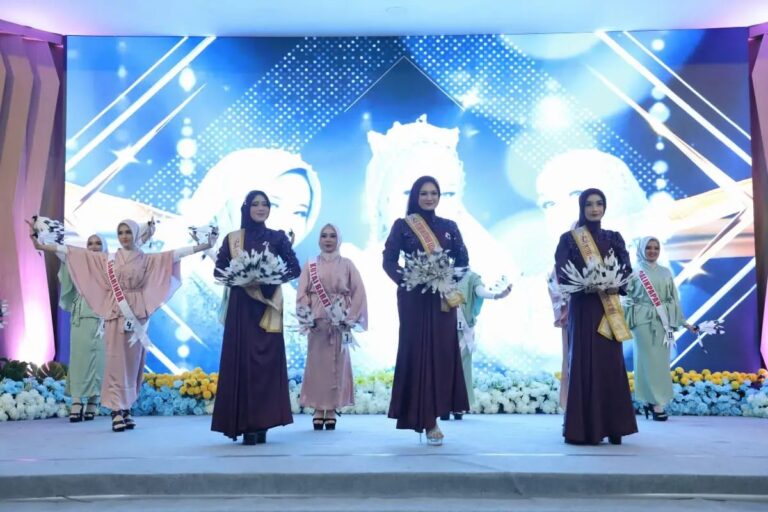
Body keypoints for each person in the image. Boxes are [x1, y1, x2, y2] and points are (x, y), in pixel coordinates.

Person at [30, 219, 215, 432]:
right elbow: (73, 253)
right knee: (115, 362)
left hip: (138, 314)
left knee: (133, 364)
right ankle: (116, 410)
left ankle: (126, 407)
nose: (124, 236)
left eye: (128, 232)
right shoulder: (108, 259)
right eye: (120, 232)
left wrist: (204, 245)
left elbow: (175, 254)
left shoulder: (147, 259)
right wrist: (41, 245)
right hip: (116, 311)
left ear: (136, 234)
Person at [383, 176, 470, 446]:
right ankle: (426, 419)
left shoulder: (449, 227)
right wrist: (411, 278)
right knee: (416, 352)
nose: (429, 198)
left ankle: (435, 414)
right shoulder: (403, 226)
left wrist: (445, 278)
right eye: (424, 193)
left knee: (440, 353)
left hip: (441, 299)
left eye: (434, 193)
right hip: (413, 299)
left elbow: (463, 260)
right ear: (415, 196)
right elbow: (388, 261)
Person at [211, 190, 301, 445]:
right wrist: (241, 278)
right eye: (255, 204)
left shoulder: (277, 237)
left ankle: (262, 423)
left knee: (265, 366)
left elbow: (294, 268)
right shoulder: (233, 239)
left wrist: (269, 278)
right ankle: (244, 423)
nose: (261, 208)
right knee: (242, 363)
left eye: (265, 204)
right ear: (246, 208)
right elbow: (219, 272)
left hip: (267, 307)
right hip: (241, 310)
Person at [554, 188, 638, 445]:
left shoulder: (614, 237)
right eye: (589, 204)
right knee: (583, 362)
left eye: (599, 203)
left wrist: (615, 284)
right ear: (582, 207)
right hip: (583, 307)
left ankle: (613, 426)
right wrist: (586, 283)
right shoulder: (569, 239)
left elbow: (626, 269)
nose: (594, 208)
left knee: (611, 364)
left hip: (608, 309)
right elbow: (562, 272)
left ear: (605, 207)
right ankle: (584, 428)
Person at [297, 224, 368, 430]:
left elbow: (359, 292)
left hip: (339, 323)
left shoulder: (347, 264)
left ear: (339, 239)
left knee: (337, 365)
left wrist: (350, 317)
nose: (328, 239)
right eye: (324, 235)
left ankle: (331, 408)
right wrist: (306, 316)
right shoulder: (310, 265)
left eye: (332, 235)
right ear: (319, 239)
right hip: (317, 322)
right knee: (317, 366)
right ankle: (318, 408)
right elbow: (301, 293)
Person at [624, 236, 698, 421]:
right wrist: (630, 316)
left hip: (663, 321)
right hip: (642, 320)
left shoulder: (666, 272)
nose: (652, 251)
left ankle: (650, 400)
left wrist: (683, 322)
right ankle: (655, 402)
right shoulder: (634, 271)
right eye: (648, 247)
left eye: (656, 248)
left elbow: (674, 299)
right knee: (647, 360)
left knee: (660, 362)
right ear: (642, 249)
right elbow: (626, 298)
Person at [441, 270, 512, 420]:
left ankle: (459, 406)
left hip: (464, 331)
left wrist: (497, 295)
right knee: (444, 366)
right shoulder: (442, 274)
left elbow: (480, 292)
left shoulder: (471, 277)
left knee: (463, 368)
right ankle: (443, 405)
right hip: (444, 329)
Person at [59, 234, 108, 422]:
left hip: (104, 319)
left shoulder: (111, 265)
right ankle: (77, 401)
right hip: (81, 316)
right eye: (90, 243)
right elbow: (66, 266)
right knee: (79, 358)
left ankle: (93, 401)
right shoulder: (79, 264)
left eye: (98, 243)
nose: (94, 246)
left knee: (100, 360)